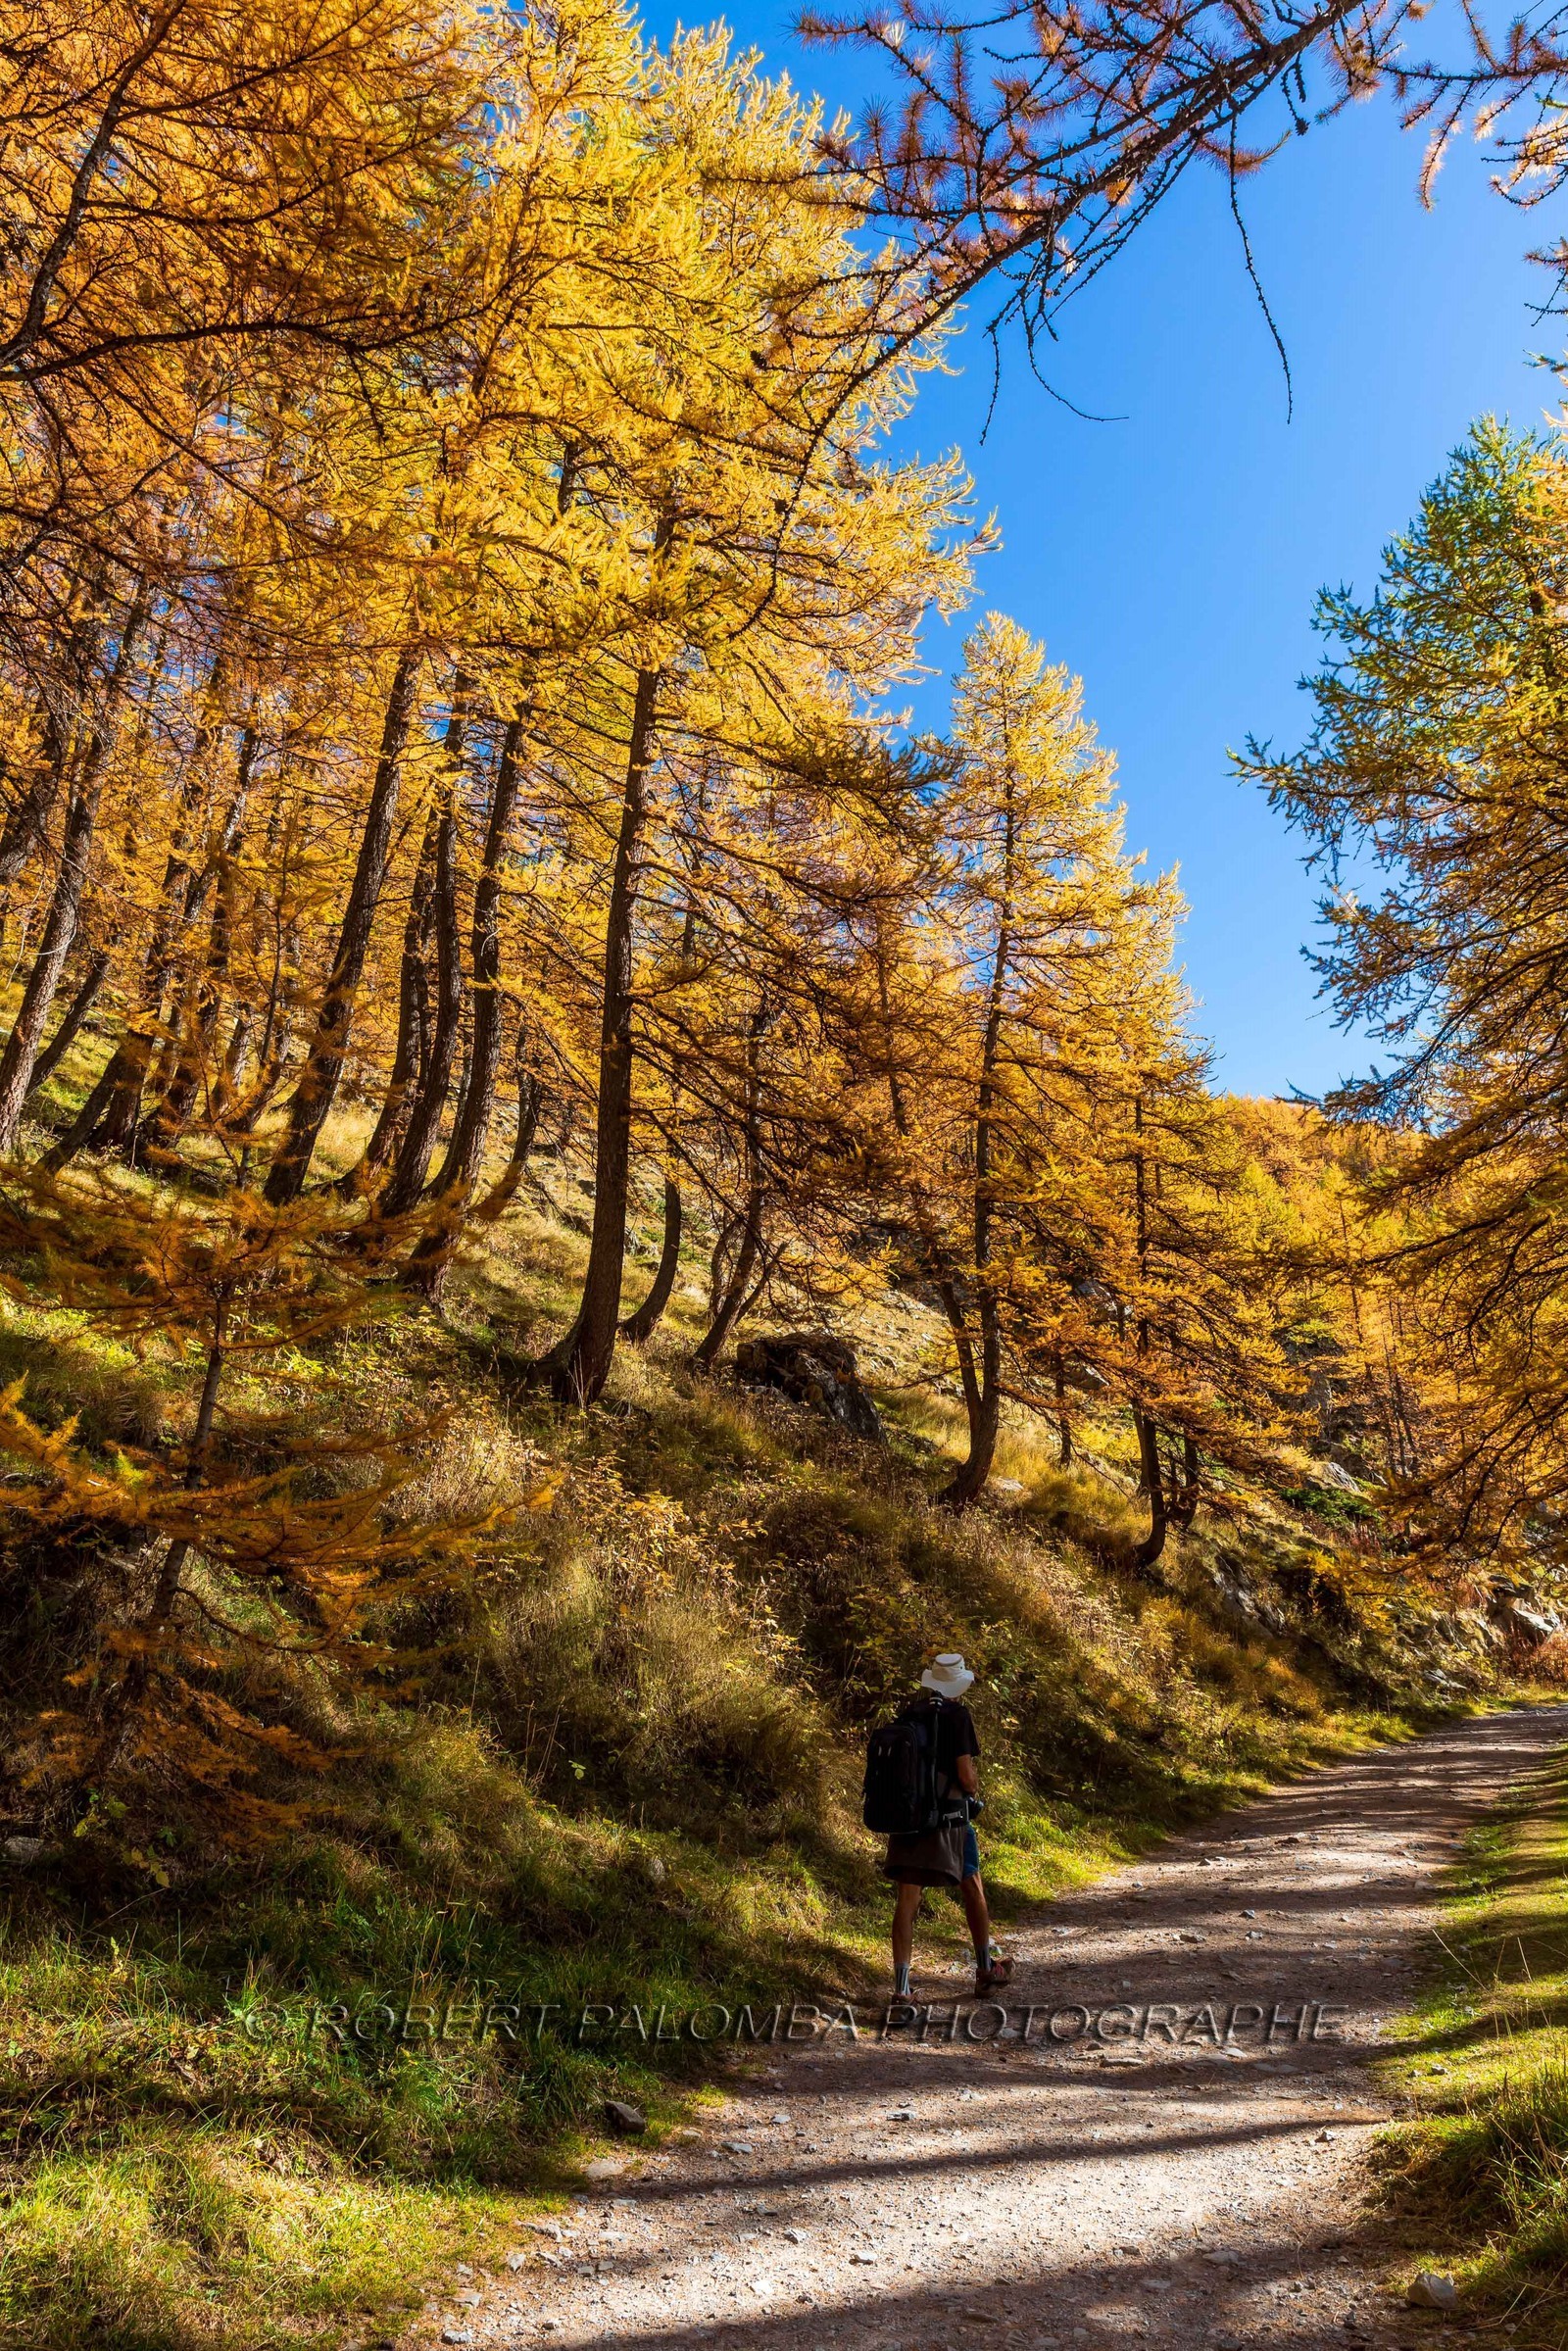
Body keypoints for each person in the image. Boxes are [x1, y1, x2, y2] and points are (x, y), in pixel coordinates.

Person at [883, 1652, 1013, 2003]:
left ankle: (902, 1989)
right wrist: (973, 1790)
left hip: (909, 1821)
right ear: (958, 1685)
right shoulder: (958, 1716)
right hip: (952, 1822)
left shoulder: (910, 1713)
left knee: (907, 1901)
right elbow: (966, 1777)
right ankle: (986, 1970)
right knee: (972, 1887)